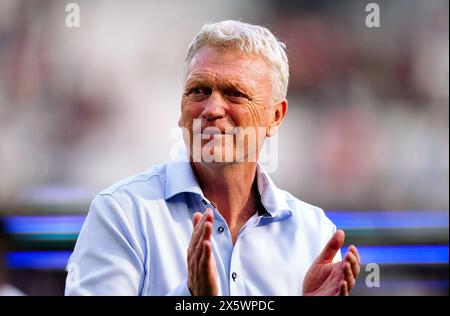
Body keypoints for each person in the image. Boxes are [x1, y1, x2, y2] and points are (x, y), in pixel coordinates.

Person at [65, 20, 360, 296]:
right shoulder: (122, 214)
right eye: (199, 91)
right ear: (181, 111)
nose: (212, 108)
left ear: (276, 116)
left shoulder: (314, 233)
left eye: (235, 94)